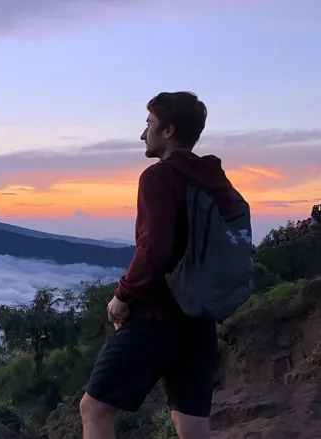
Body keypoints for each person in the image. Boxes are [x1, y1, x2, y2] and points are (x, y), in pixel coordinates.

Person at [79, 92, 245, 439]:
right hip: (199, 317)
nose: (143, 134)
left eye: (149, 124)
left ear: (168, 131)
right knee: (191, 423)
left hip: (156, 317)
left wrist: (123, 295)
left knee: (95, 410)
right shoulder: (216, 180)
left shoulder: (158, 177)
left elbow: (154, 248)